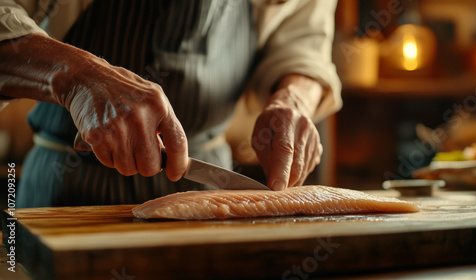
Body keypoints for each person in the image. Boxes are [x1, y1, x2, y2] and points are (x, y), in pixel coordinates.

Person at [0, 0, 342, 207]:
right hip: (65, 185)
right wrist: (76, 76)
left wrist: (294, 99)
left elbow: (304, 44)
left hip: (206, 192)